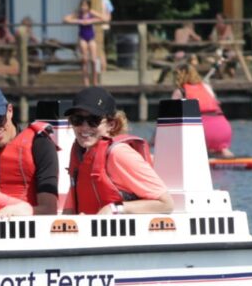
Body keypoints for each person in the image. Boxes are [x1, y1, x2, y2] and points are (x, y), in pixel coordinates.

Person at [64, 86, 172, 215]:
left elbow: (166, 204)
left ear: (112, 124)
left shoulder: (119, 154)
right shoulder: (80, 154)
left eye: (94, 120)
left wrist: (115, 208)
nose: (84, 127)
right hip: (91, 232)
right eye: (77, 120)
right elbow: (69, 211)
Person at [0, 85, 60, 215]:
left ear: (10, 110)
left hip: (29, 226)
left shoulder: (40, 144)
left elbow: (49, 210)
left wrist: (20, 211)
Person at [172, 64, 233, 158]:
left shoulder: (180, 91)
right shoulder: (206, 87)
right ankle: (229, 157)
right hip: (224, 128)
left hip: (204, 130)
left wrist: (154, 140)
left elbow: (168, 117)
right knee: (221, 150)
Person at [63, 0, 104, 86]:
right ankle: (86, 81)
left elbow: (102, 18)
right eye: (82, 5)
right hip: (83, 38)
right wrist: (79, 21)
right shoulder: (79, 14)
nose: (84, 7)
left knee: (93, 60)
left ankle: (95, 80)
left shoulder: (91, 12)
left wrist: (91, 21)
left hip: (91, 38)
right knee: (85, 60)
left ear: (88, 6)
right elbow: (66, 19)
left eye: (85, 5)